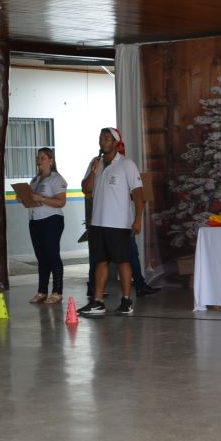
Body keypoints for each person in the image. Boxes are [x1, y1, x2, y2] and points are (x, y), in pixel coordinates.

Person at [81, 127, 144, 317]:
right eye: (101, 138)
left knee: (123, 261)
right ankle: (98, 302)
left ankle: (126, 300)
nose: (102, 141)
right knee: (100, 262)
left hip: (119, 223)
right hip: (98, 222)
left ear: (116, 143)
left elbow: (138, 194)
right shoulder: (96, 163)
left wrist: (137, 219)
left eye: (107, 138)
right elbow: (86, 189)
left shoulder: (126, 164)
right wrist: (93, 171)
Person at [22, 147, 68, 303]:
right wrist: (23, 198)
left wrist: (41, 198)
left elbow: (61, 202)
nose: (39, 161)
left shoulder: (56, 179)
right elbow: (32, 200)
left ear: (51, 161)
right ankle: (42, 291)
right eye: (38, 158)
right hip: (35, 221)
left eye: (42, 158)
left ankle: (57, 292)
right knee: (41, 257)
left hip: (51, 220)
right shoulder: (34, 180)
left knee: (52, 255)